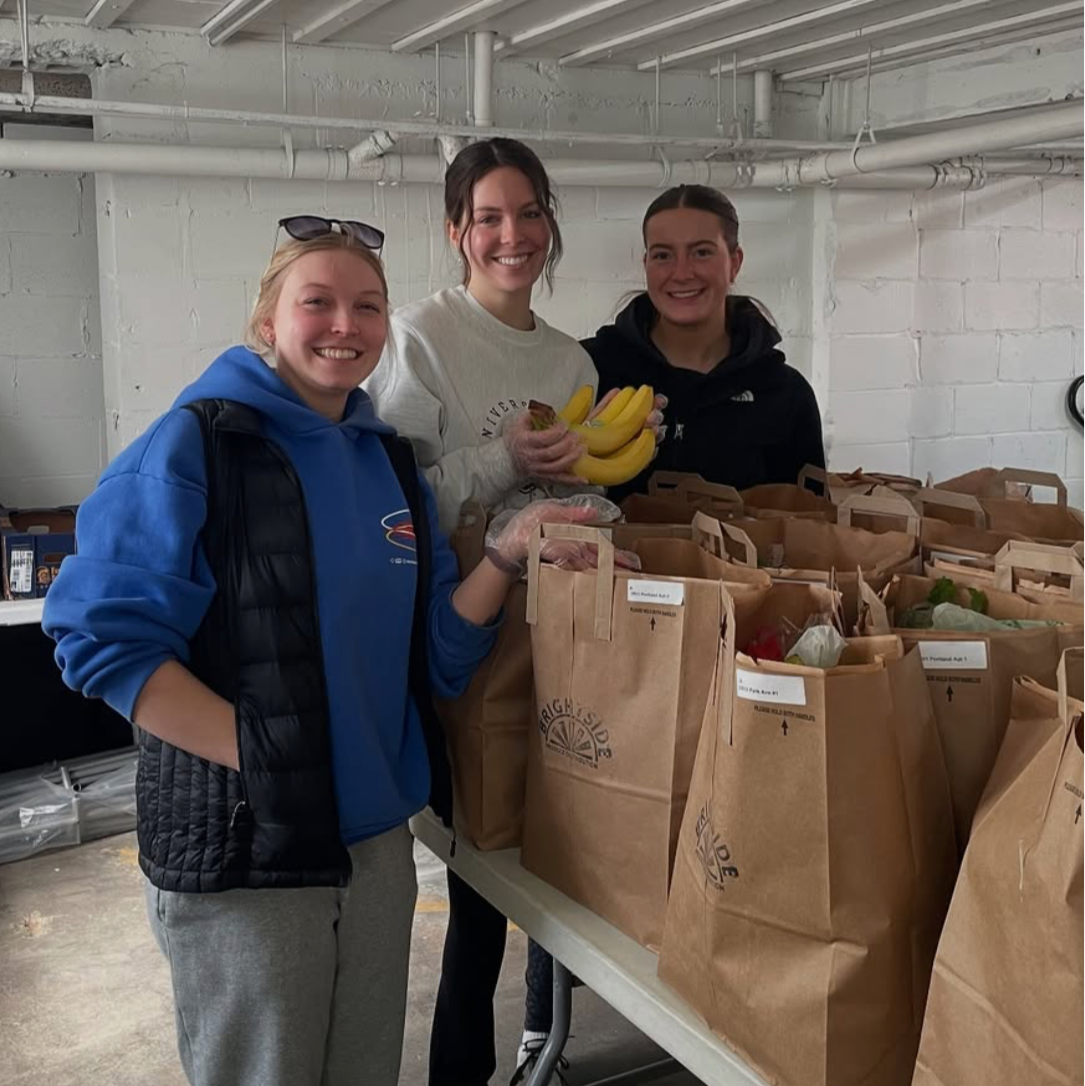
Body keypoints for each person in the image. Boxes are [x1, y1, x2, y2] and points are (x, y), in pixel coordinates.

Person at [41, 219, 598, 1086]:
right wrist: (268, 761)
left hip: (377, 845)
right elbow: (101, 640)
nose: (346, 323)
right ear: (267, 323)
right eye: (318, 302)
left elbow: (435, 651)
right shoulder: (195, 445)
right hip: (249, 852)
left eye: (367, 305)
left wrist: (505, 551)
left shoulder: (384, 461)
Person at [366, 138, 624, 1086]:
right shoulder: (419, 334)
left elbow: (593, 490)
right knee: (479, 883)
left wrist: (594, 502)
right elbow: (396, 505)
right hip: (451, 642)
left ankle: (541, 1043)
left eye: (527, 214)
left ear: (548, 225)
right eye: (488, 217)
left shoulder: (570, 359)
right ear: (457, 232)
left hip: (553, 638)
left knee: (556, 858)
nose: (510, 235)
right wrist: (506, 461)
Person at [583, 184, 825, 504]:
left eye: (702, 252)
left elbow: (811, 527)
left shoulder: (785, 393)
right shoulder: (589, 369)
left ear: (734, 262)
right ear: (646, 265)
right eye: (663, 255)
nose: (682, 273)